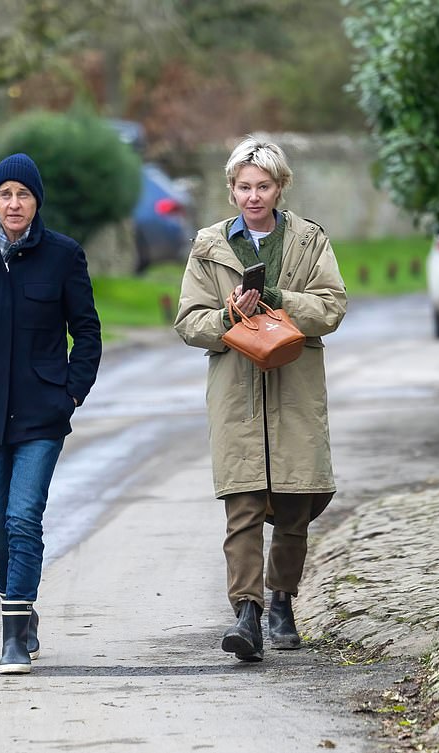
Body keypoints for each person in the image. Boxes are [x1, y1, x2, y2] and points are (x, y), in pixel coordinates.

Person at [174, 136, 346, 661]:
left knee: (297, 504)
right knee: (243, 504)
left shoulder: (308, 240)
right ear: (231, 190)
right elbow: (188, 322)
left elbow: (331, 307)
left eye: (264, 186)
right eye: (245, 186)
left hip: (295, 387)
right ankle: (245, 615)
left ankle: (282, 600)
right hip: (236, 392)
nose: (254, 196)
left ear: (280, 187)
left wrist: (275, 300)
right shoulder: (209, 247)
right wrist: (229, 316)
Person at [0, 153, 101, 674]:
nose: (14, 204)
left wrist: (71, 392)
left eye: (23, 195)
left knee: (22, 517)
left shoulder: (63, 256)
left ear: (36, 203)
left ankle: (12, 636)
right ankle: (21, 606)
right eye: (5, 194)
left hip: (41, 413)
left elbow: (88, 332)